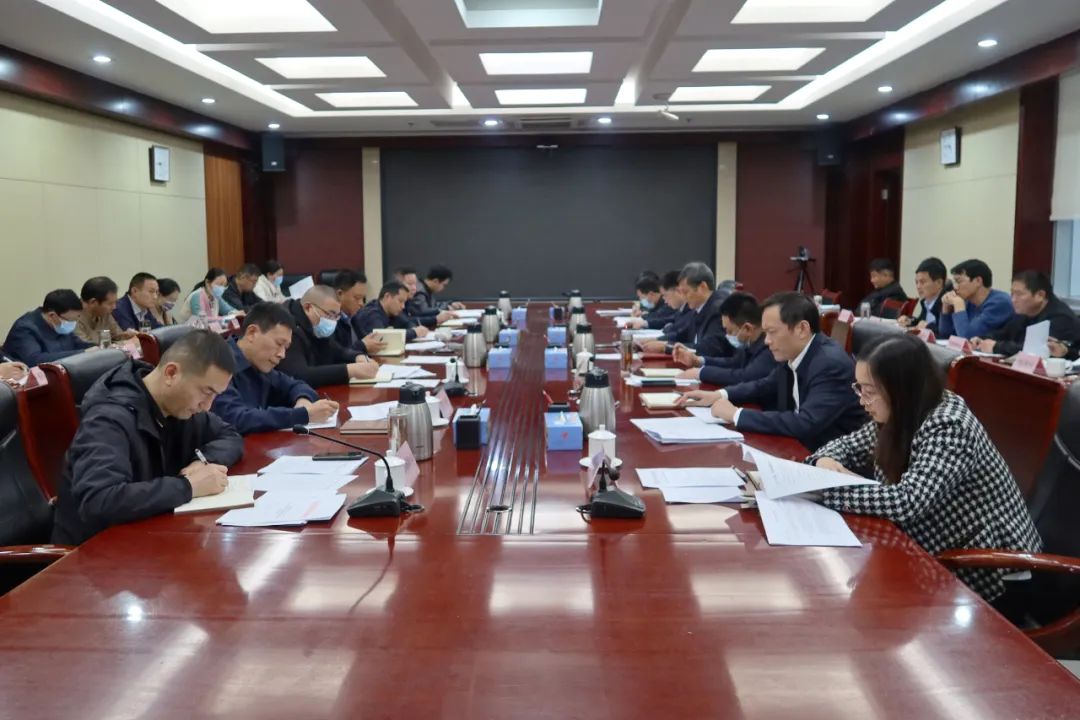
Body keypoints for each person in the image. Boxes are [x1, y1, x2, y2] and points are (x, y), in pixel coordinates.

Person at [807, 333, 1041, 603]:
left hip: (988, 570)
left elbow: (908, 501)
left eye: (869, 391)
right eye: (859, 389)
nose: (862, 400)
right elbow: (847, 446)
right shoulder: (903, 412)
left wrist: (826, 491)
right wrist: (824, 461)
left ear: (901, 388)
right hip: (934, 553)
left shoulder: (950, 426)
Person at [51, 330, 244, 545]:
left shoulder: (179, 406)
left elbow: (229, 435)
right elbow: (99, 501)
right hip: (95, 552)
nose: (207, 406)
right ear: (171, 373)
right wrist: (188, 486)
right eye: (206, 392)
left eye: (215, 395)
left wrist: (202, 462)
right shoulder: (108, 419)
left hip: (150, 536)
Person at [678, 292, 866, 451]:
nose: (767, 341)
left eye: (772, 332)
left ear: (802, 329)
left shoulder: (829, 363)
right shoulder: (796, 352)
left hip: (831, 459)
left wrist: (736, 414)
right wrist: (719, 395)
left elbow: (806, 423)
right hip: (800, 447)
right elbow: (765, 384)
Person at [211, 303, 339, 435]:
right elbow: (236, 419)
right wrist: (302, 415)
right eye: (279, 344)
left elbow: (297, 385)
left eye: (286, 348)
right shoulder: (218, 364)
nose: (282, 354)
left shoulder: (260, 365)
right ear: (252, 333)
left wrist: (303, 401)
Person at [277, 285, 380, 388]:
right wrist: (350, 370)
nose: (333, 321)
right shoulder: (288, 327)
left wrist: (358, 357)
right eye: (330, 314)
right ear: (308, 308)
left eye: (337, 316)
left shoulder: (316, 327)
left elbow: (338, 351)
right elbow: (299, 375)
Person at [674, 293, 778, 386]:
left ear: (747, 328)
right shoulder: (750, 342)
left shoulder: (769, 347)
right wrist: (698, 361)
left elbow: (744, 376)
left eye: (730, 331)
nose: (727, 335)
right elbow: (733, 363)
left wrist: (701, 373)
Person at [973, 271, 1080, 356]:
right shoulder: (1025, 311)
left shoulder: (1061, 318)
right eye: (1012, 293)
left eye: (1019, 294)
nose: (1013, 299)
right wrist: (982, 339)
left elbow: (1035, 350)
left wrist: (996, 347)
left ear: (1040, 295)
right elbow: (1005, 333)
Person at [648, 262, 732, 359]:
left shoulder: (719, 308)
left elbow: (709, 348)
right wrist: (657, 340)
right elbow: (683, 334)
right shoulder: (699, 307)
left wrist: (667, 347)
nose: (683, 297)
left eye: (685, 292)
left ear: (702, 287)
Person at [3, 289, 96, 366]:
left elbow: (77, 344)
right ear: (52, 315)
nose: (73, 323)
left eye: (76, 319)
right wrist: (83, 353)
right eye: (70, 320)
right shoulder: (24, 328)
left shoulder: (60, 325)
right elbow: (34, 360)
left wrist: (99, 349)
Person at [938, 259, 1014, 339]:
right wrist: (946, 308)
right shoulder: (969, 301)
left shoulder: (1000, 303)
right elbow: (945, 335)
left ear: (978, 281)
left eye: (959, 281)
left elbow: (968, 337)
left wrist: (958, 304)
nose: (955, 287)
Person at [331, 270, 386, 355]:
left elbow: (364, 341)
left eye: (363, 298)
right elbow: (337, 354)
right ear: (340, 294)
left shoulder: (353, 318)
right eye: (357, 298)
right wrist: (363, 346)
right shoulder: (330, 320)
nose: (361, 303)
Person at [75, 276, 135, 345]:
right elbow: (85, 348)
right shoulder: (73, 319)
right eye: (110, 303)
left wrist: (127, 335)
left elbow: (117, 336)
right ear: (93, 302)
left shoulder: (104, 313)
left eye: (115, 302)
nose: (114, 307)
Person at [898, 257, 948, 335]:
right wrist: (910, 320)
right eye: (916, 282)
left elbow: (947, 332)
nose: (918, 286)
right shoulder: (926, 301)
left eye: (922, 282)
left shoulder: (947, 302)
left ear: (939, 283)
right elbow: (922, 322)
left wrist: (928, 327)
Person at [174, 268, 242, 324]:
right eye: (219, 284)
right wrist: (223, 319)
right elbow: (201, 319)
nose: (222, 288)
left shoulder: (216, 296)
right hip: (190, 332)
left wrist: (238, 313)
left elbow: (227, 310)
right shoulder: (196, 296)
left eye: (224, 285)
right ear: (207, 282)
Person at [392, 267, 436, 336]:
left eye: (415, 284)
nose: (414, 288)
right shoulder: (394, 304)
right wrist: (435, 319)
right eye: (410, 284)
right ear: (396, 285)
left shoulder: (408, 301)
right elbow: (405, 321)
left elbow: (414, 316)